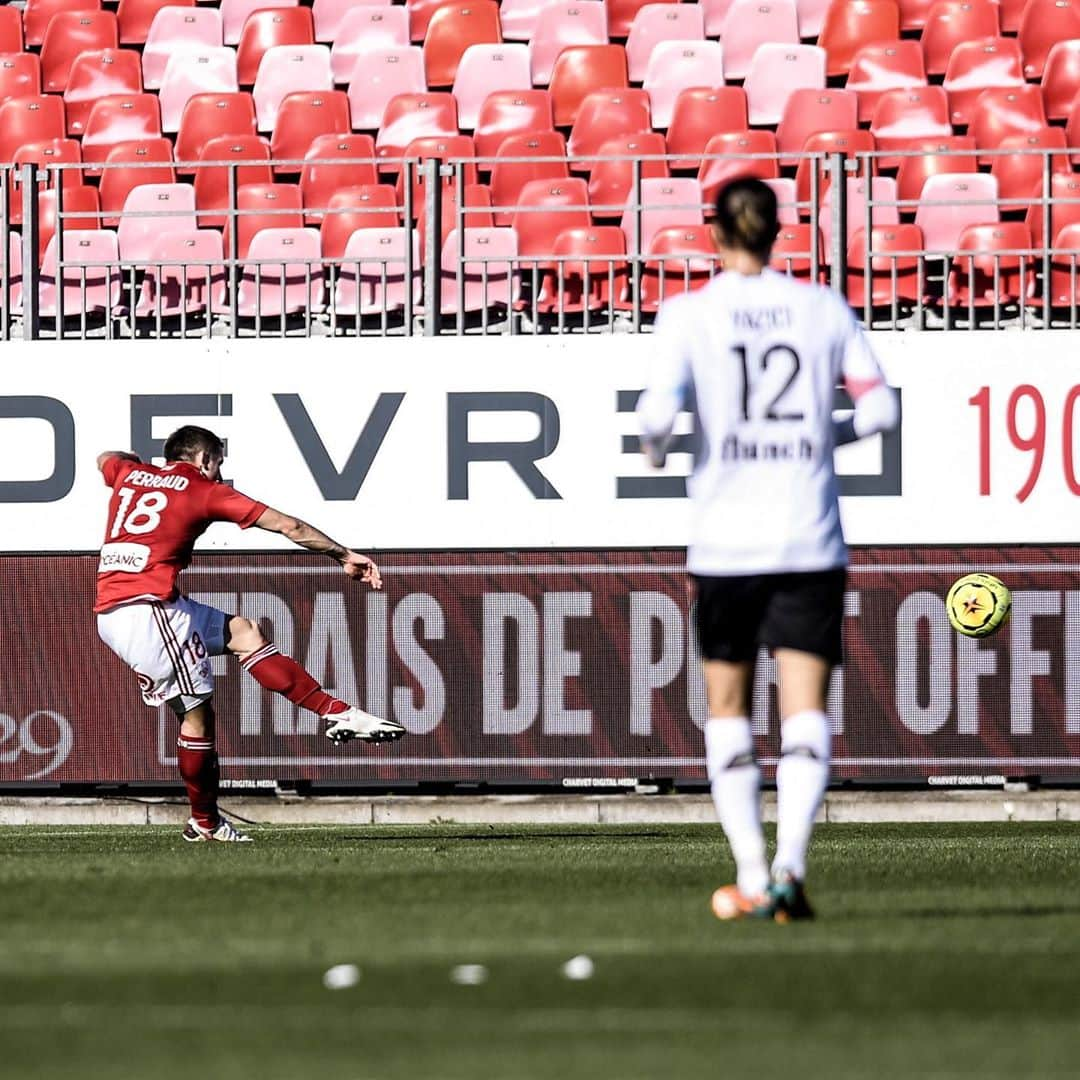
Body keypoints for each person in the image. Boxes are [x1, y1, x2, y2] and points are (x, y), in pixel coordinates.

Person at [637, 178, 899, 922]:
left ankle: (751, 872)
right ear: (778, 232)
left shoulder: (690, 314)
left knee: (727, 710)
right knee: (805, 713)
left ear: (715, 235)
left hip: (725, 544)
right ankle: (791, 867)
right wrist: (826, 436)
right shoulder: (822, 308)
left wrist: (661, 447)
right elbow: (880, 408)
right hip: (807, 535)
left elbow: (655, 422)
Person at [95, 424, 405, 843]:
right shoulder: (203, 491)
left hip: (129, 607)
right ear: (204, 459)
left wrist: (136, 463)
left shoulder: (127, 474)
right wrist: (343, 554)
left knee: (244, 633)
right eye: (218, 463)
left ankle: (337, 713)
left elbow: (105, 458)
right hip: (150, 611)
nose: (219, 474)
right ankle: (205, 823)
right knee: (197, 719)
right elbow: (288, 526)